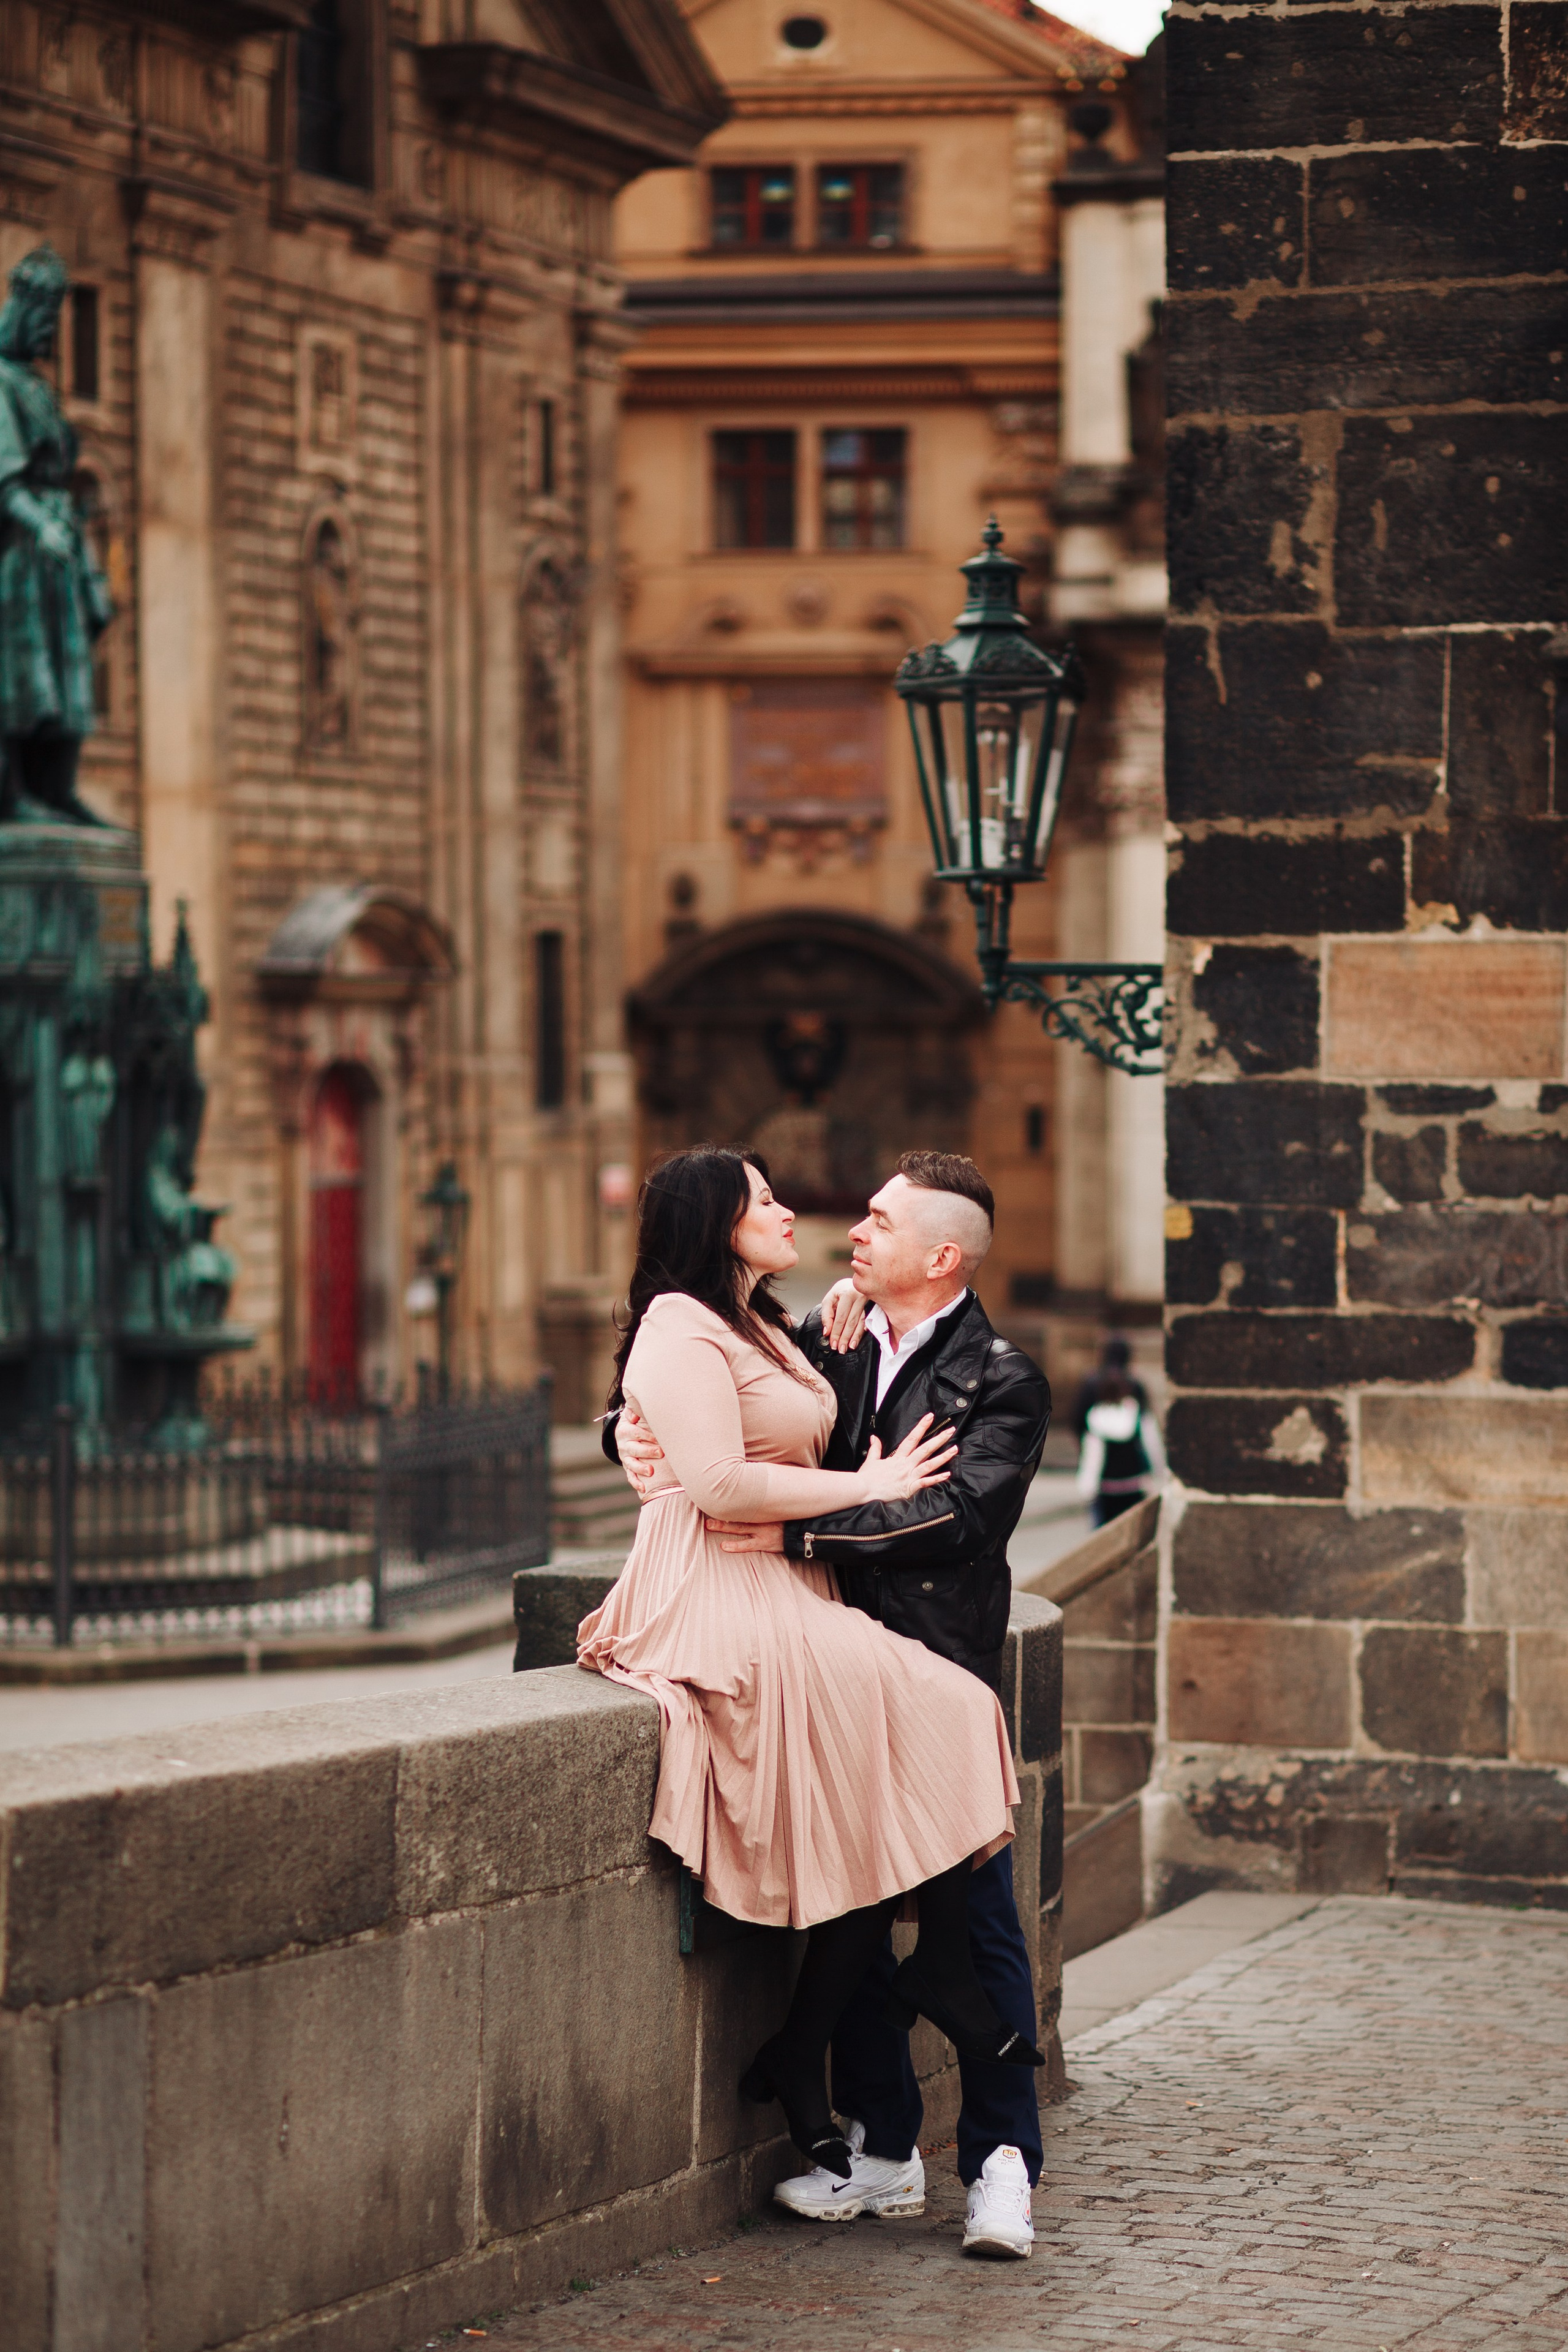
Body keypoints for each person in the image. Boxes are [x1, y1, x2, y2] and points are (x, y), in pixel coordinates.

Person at [612, 1150, 1052, 2260]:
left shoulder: (1003, 1377)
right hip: (809, 1628)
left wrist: (801, 1530)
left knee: (976, 1907)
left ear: (940, 1255)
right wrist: (639, 1447)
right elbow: (709, 1428)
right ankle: (887, 2150)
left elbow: (955, 1520)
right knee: (844, 1883)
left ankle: (1004, 2163)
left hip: (918, 1645)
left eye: (879, 1220)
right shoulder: (824, 1335)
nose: (849, 1228)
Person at [1073, 1334, 1164, 1528]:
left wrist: (1087, 1488)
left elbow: (1080, 1426)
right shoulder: (1136, 1387)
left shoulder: (1092, 1388)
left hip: (1106, 1486)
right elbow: (1152, 1442)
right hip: (1134, 1482)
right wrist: (1159, 1475)